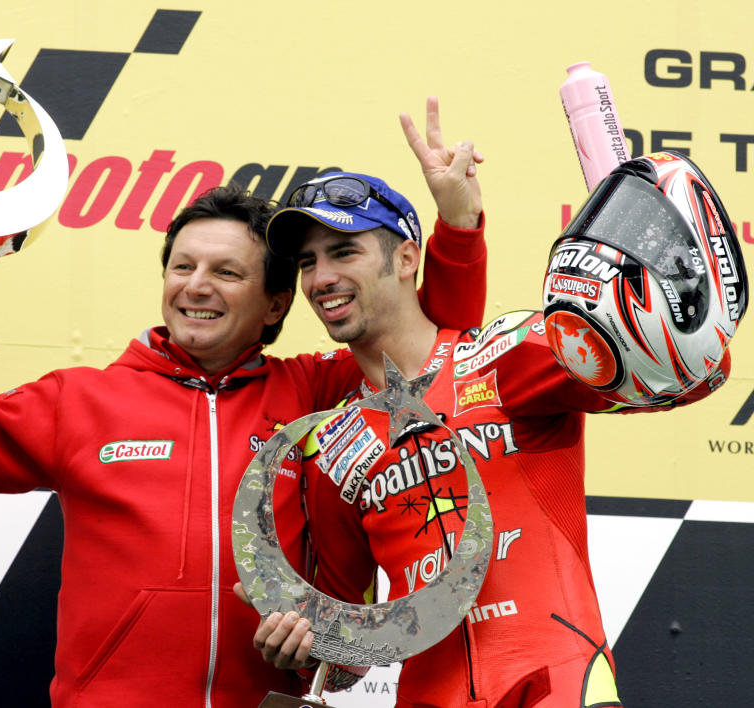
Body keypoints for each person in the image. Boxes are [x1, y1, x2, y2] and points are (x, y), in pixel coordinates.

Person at [0, 100, 488, 706]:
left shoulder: (316, 392)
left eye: (227, 273)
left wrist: (457, 231)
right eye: (182, 267)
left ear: (274, 305)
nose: (196, 287)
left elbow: (432, 359)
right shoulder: (82, 400)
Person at [252, 146, 740, 706]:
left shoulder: (504, 354)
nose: (322, 278)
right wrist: (302, 645)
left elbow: (692, 374)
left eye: (343, 252)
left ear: (408, 258)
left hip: (557, 684)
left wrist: (662, 309)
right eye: (308, 263)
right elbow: (346, 661)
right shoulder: (329, 446)